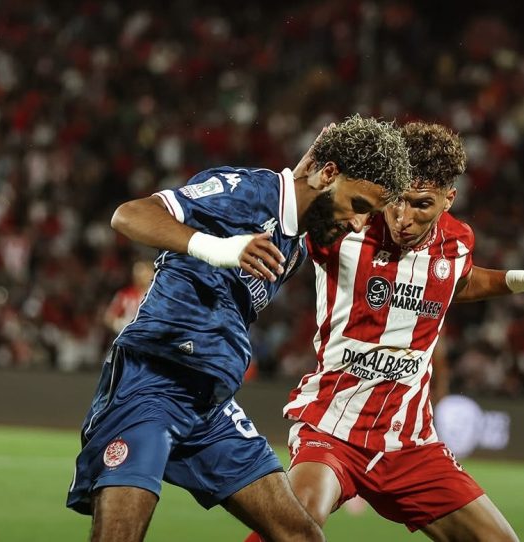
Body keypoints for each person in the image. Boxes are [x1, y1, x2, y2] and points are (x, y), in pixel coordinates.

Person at [246, 122, 524, 542]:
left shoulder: (457, 242)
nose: (403, 218)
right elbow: (286, 220)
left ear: (449, 199)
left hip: (410, 444)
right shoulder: (348, 226)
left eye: (422, 205)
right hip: (332, 430)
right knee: (294, 531)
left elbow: (459, 281)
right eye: (397, 200)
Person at [66, 115, 412, 542]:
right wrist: (216, 247)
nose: (359, 223)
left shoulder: (294, 248)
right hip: (155, 380)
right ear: (328, 174)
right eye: (358, 206)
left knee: (302, 536)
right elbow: (129, 215)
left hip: (210, 405)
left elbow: (294, 207)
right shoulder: (246, 191)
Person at [103, 260, 155, 335]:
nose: (140, 276)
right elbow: (109, 318)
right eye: (137, 273)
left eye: (144, 272)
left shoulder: (156, 296)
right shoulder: (125, 295)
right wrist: (120, 325)